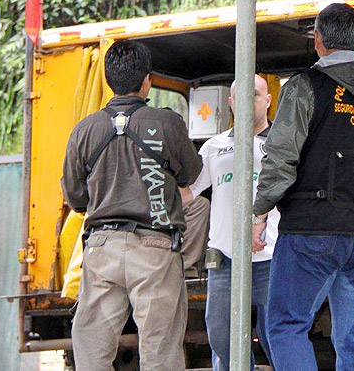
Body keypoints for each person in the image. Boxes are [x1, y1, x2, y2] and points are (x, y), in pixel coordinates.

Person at [252, 3, 354, 370]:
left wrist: (259, 211)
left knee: (285, 325)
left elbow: (281, 157)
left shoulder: (304, 87)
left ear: (317, 40)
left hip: (310, 230)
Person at [61, 40, 202, 370]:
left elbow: (74, 196)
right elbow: (190, 175)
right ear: (147, 80)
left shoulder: (84, 130)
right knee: (161, 353)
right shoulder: (167, 123)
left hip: (101, 249)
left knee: (92, 353)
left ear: (110, 80)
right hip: (155, 249)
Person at [184, 75, 278, 370]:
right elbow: (188, 192)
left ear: (268, 100)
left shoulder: (282, 144)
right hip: (224, 258)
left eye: (256, 94)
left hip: (272, 256)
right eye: (241, 95)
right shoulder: (213, 146)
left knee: (278, 336)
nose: (249, 100)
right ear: (231, 102)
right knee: (222, 338)